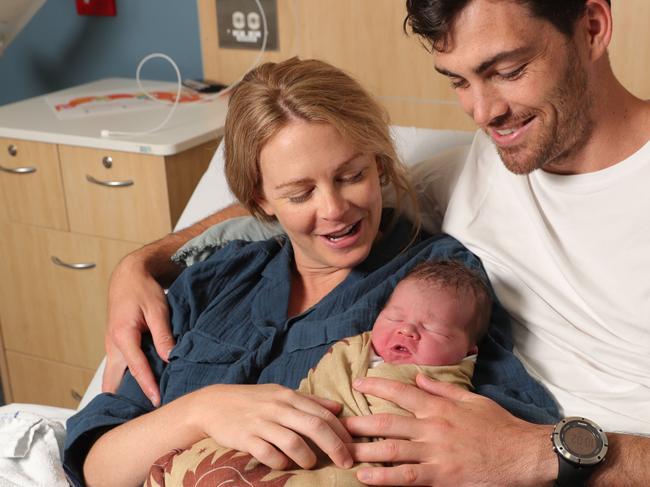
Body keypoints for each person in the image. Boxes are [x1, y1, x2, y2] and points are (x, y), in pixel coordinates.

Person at [102, 0, 650, 485]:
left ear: (595, 26)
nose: (483, 112)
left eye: (507, 71)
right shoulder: (474, 167)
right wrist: (141, 264)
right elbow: (299, 188)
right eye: (458, 82)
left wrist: (546, 453)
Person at [64, 57, 555, 486]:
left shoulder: (434, 282)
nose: (335, 208)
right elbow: (97, 466)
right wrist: (202, 410)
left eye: (352, 175)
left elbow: (502, 444)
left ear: (379, 164)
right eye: (300, 194)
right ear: (260, 199)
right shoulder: (211, 280)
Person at [146, 260, 491, 486]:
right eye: (395, 318)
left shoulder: (451, 385)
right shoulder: (352, 348)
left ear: (467, 352)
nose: (407, 332)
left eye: (434, 330)